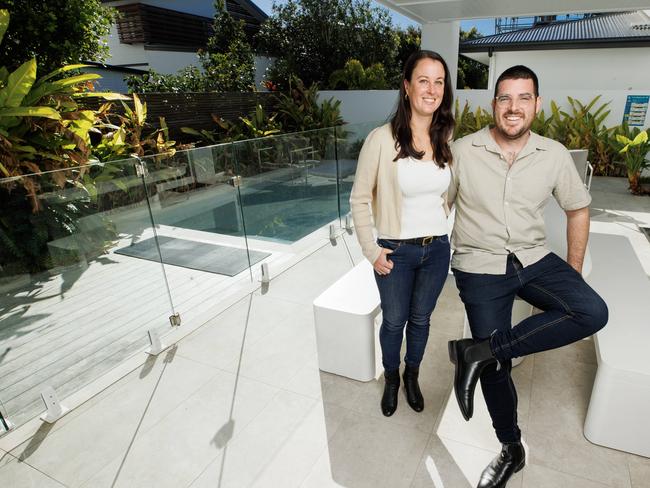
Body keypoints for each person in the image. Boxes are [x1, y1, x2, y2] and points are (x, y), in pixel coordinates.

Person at [446, 65, 608, 487]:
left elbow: (578, 207)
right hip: (479, 264)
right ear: (493, 104)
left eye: (523, 98)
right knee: (497, 370)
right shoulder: (463, 150)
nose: (513, 107)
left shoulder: (553, 154)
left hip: (534, 257)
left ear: (537, 104)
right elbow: (435, 207)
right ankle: (510, 448)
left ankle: (478, 350)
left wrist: (572, 270)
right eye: (505, 98)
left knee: (590, 310)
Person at [350, 50, 454, 417]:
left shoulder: (446, 137)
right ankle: (392, 378)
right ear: (407, 87)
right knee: (395, 321)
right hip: (396, 252)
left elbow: (446, 193)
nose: (432, 89)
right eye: (423, 80)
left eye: (439, 81)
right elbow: (359, 199)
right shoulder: (381, 140)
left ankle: (413, 375)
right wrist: (371, 251)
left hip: (437, 250)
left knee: (422, 320)